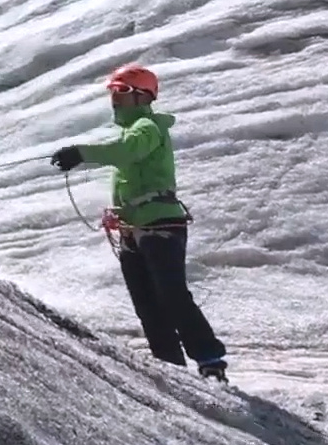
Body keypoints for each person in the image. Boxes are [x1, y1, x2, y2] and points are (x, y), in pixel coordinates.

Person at [52, 63, 229, 382]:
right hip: (137, 228)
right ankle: (174, 370)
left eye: (121, 92)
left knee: (170, 295)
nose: (115, 99)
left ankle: (209, 359)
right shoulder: (137, 129)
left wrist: (80, 153)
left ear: (141, 96)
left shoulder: (147, 127)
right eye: (113, 92)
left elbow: (127, 151)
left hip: (160, 224)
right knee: (149, 303)